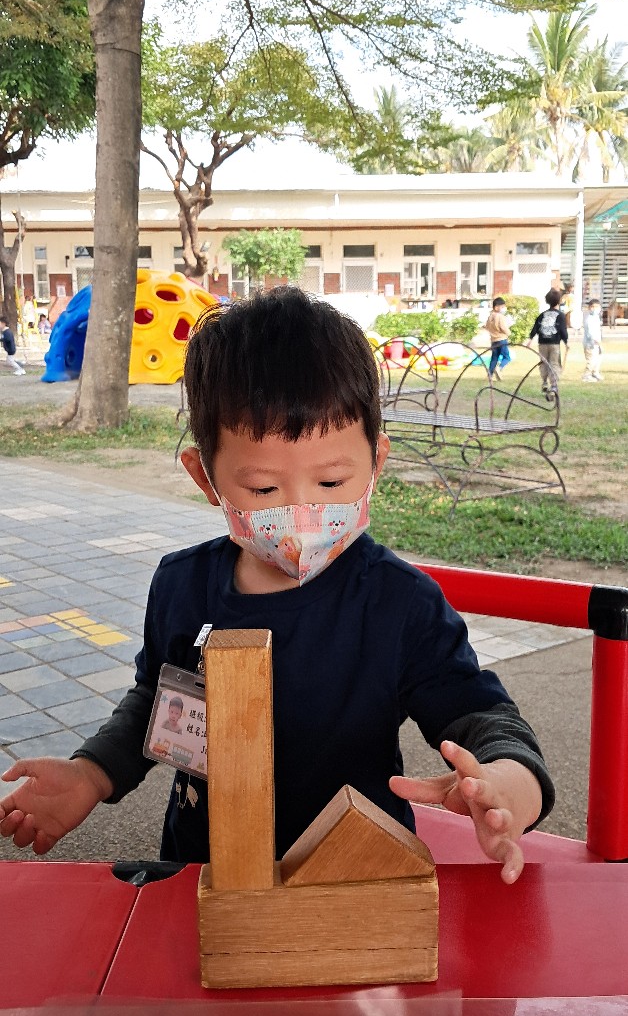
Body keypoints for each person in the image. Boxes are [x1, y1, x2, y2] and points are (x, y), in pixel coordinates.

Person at [0, 289, 554, 885]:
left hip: (352, 879)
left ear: (376, 463)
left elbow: (480, 714)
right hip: (204, 871)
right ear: (206, 478)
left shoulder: (399, 604)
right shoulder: (182, 587)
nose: (302, 512)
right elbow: (158, 705)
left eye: (332, 481)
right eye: (264, 489)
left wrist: (508, 783)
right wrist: (91, 773)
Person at [526, 290, 568, 400]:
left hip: (542, 343)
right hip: (554, 343)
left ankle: (544, 382)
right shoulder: (560, 315)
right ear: (559, 301)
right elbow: (562, 330)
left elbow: (535, 327)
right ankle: (553, 385)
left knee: (543, 362)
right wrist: (566, 341)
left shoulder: (542, 315)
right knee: (554, 363)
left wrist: (530, 339)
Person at [484, 297, 512, 380]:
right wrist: (509, 333)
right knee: (507, 357)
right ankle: (499, 368)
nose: (504, 309)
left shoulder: (490, 316)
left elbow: (487, 327)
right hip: (502, 339)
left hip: (493, 340)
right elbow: (503, 327)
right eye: (502, 307)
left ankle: (490, 375)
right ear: (496, 307)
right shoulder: (500, 316)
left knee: (494, 358)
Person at [582, 298, 603, 383]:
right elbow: (589, 332)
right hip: (590, 343)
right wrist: (595, 340)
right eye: (593, 307)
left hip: (597, 343)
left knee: (598, 358)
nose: (595, 309)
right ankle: (587, 375)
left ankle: (595, 372)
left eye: (597, 307)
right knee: (591, 360)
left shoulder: (596, 317)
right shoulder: (589, 319)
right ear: (589, 307)